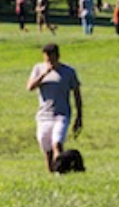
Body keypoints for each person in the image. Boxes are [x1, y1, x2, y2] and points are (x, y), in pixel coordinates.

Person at [26, 43, 83, 173]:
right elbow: (30, 87)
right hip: (44, 115)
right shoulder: (38, 69)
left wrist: (79, 116)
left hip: (61, 115)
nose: (49, 61)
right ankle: (51, 172)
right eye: (46, 59)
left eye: (51, 58)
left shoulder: (68, 72)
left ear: (57, 56)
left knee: (57, 143)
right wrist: (44, 73)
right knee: (46, 148)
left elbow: (77, 94)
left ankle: (60, 171)